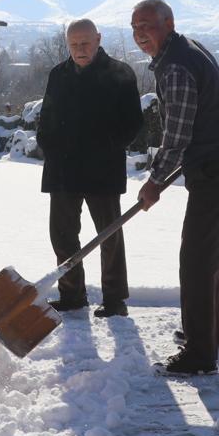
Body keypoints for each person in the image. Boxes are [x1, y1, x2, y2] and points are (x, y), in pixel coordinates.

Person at [132, 0, 219, 376]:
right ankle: (214, 332)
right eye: (135, 26)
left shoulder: (177, 66)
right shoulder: (186, 48)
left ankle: (201, 354)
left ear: (169, 23)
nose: (140, 33)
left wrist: (154, 181)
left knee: (197, 260)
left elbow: (177, 133)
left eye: (147, 25)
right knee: (209, 256)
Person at [37, 19, 143, 317]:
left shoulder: (120, 74)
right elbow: (45, 118)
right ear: (67, 43)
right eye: (74, 44)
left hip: (103, 169)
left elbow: (132, 123)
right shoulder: (58, 75)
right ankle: (71, 295)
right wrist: (51, 147)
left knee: (109, 236)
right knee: (62, 236)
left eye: (85, 43)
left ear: (98, 39)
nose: (80, 49)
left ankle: (114, 299)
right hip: (62, 169)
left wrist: (104, 146)